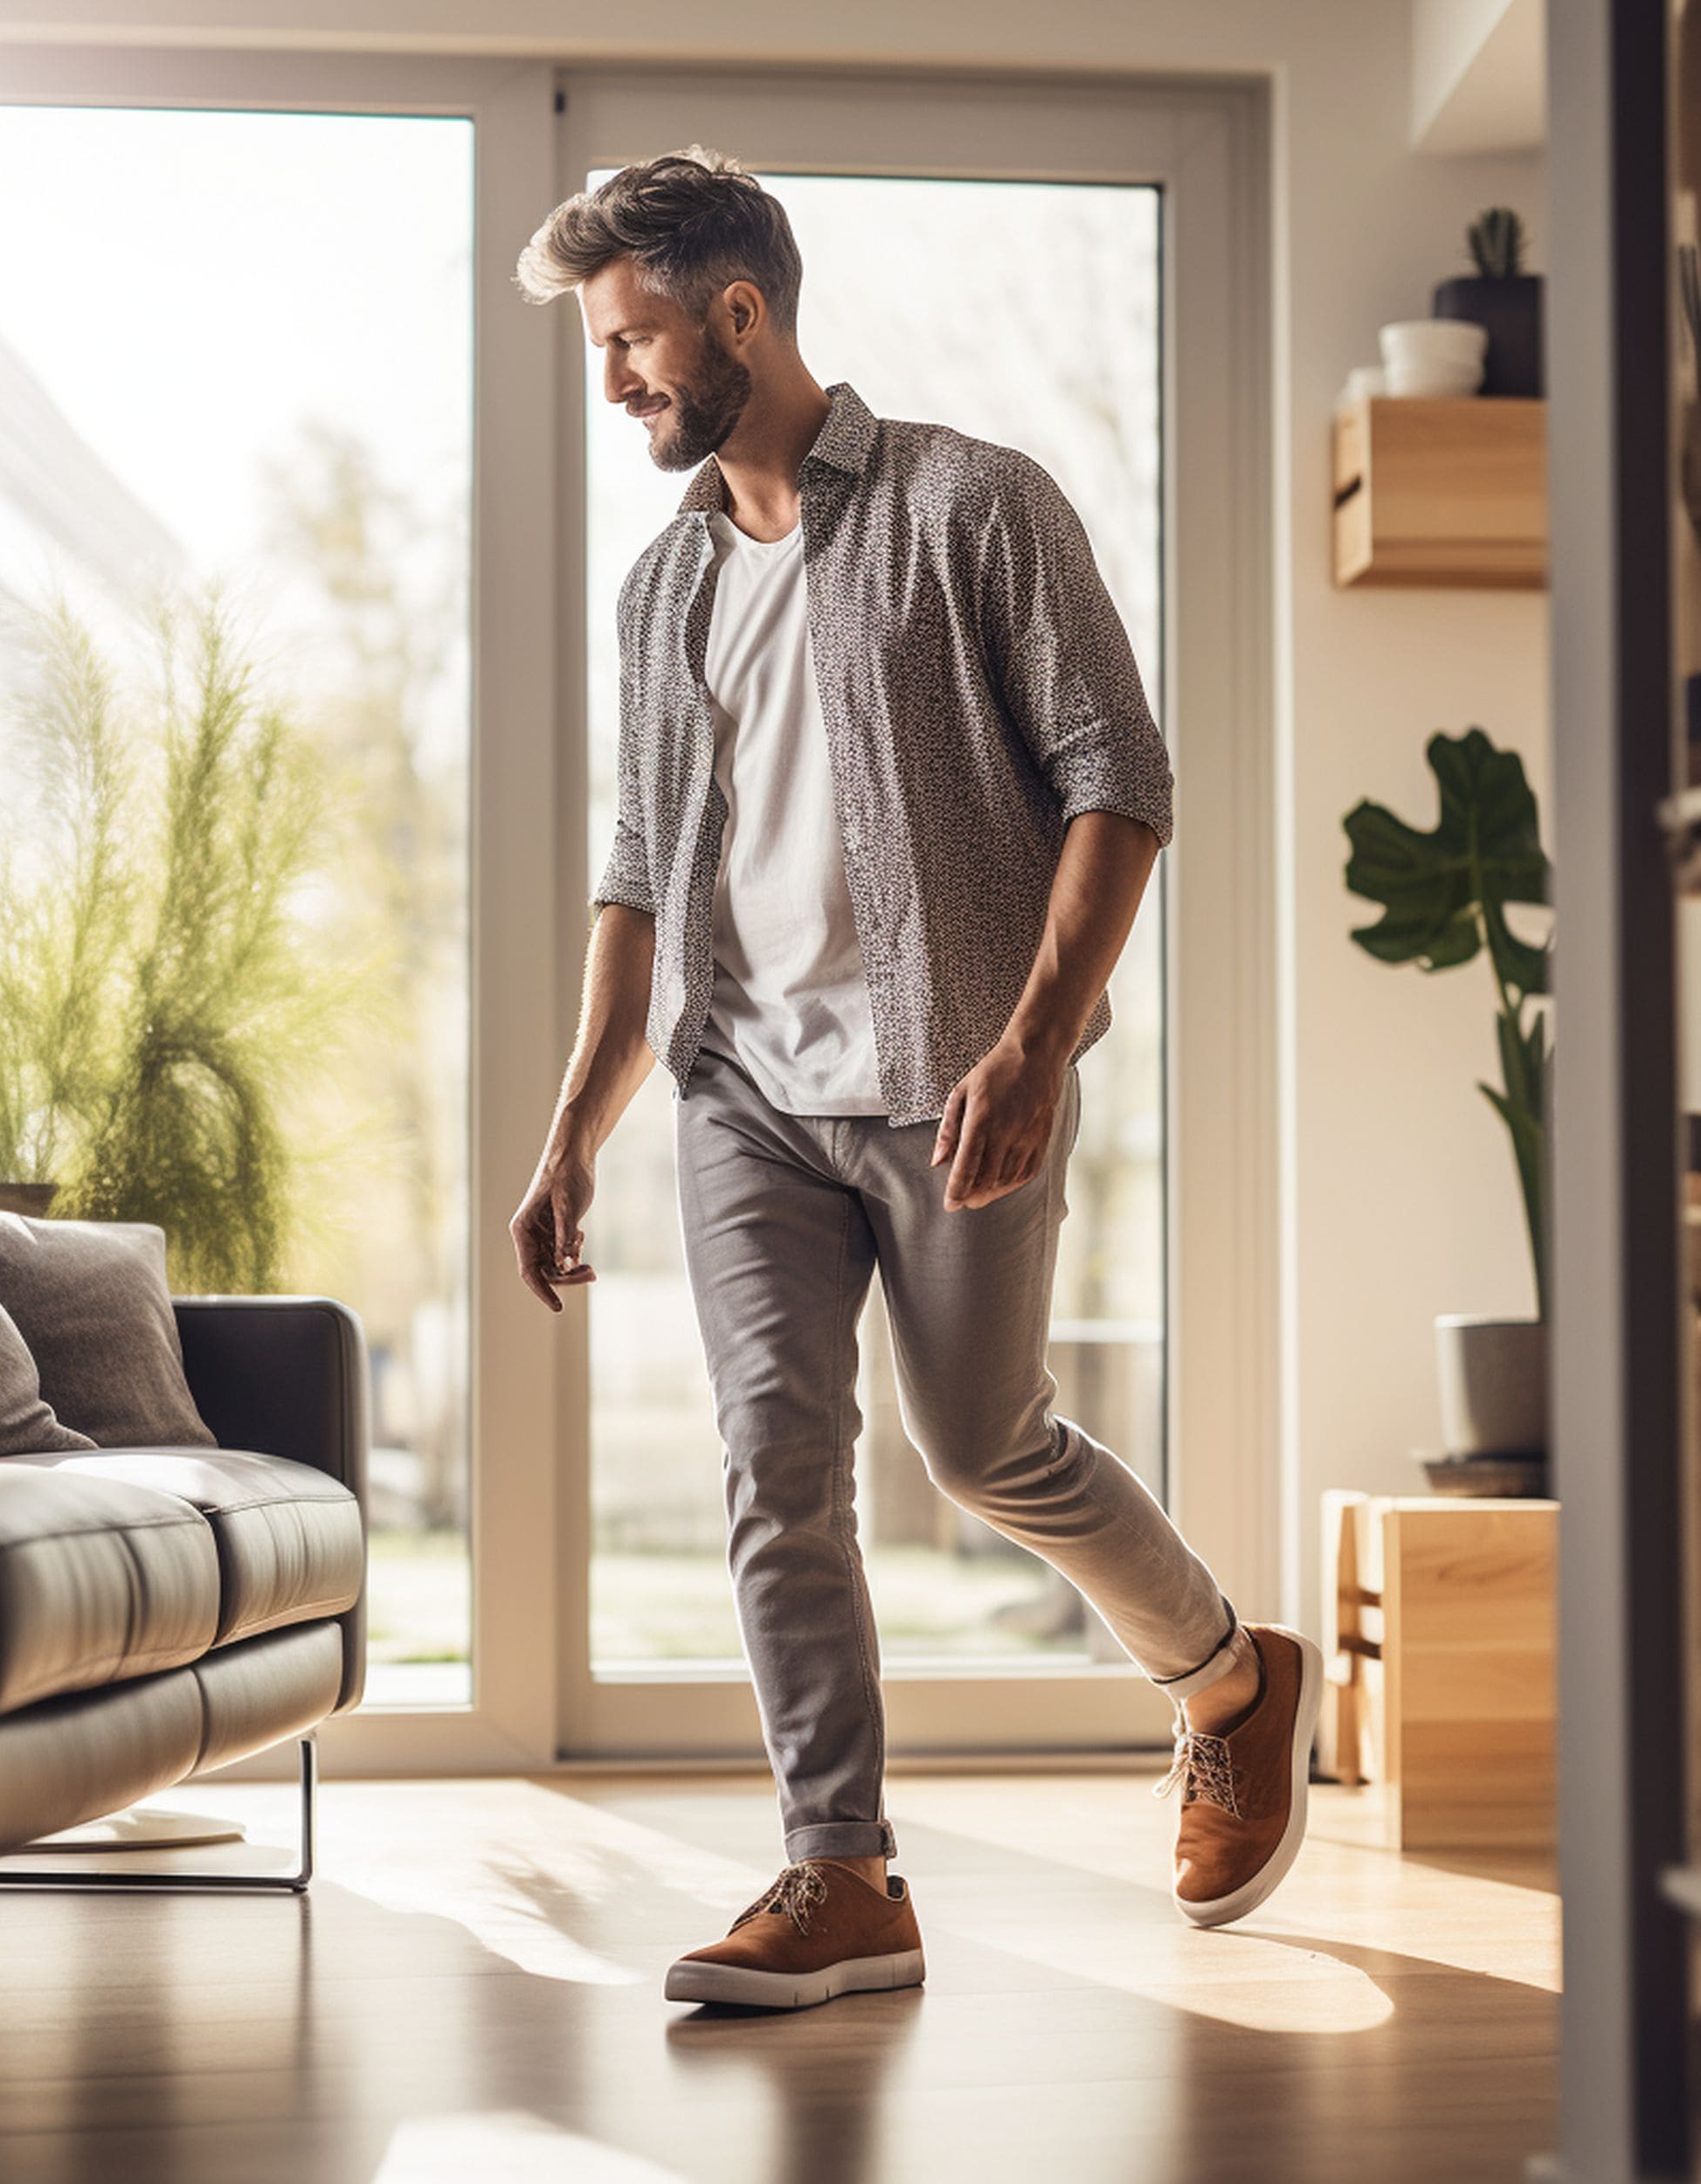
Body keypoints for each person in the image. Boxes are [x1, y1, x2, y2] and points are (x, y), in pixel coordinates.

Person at [508, 147, 1322, 2013]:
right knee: (772, 1460)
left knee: (980, 1442)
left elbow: (1121, 778)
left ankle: (1225, 1677)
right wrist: (574, 1122)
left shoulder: (973, 504)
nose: (616, 381)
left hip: (958, 1075)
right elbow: (641, 876)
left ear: (738, 315)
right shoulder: (659, 592)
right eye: (596, 350)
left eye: (631, 338)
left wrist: (1033, 1040)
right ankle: (839, 1865)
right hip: (742, 1094)